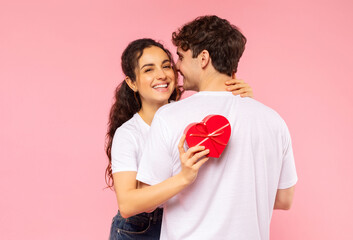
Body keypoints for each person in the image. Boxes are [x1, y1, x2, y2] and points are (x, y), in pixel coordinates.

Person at [136, 15, 298, 240]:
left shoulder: (168, 116)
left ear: (203, 58)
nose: (178, 67)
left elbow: (145, 199)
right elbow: (284, 199)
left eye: (181, 57)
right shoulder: (274, 121)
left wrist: (187, 181)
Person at [105, 38, 254, 240]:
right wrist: (183, 178)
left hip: (182, 220)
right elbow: (127, 204)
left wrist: (244, 101)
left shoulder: (189, 117)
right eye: (148, 70)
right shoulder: (129, 134)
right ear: (132, 83)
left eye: (166, 66)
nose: (161, 75)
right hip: (139, 229)